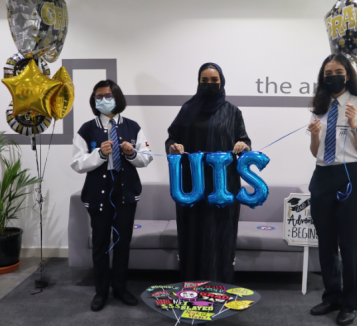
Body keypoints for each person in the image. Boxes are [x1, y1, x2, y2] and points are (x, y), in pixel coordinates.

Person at [306, 54, 357, 326]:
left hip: (352, 176)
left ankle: (349, 303)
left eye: (337, 71)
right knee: (326, 241)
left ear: (347, 75)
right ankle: (332, 296)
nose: (332, 76)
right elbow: (315, 152)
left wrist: (355, 125)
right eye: (327, 72)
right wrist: (314, 134)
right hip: (323, 175)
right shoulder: (320, 106)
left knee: (350, 243)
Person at [165, 62, 251, 284]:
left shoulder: (233, 112)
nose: (209, 85)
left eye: (214, 81)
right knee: (193, 236)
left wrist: (243, 145)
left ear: (222, 82)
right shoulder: (187, 110)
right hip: (192, 186)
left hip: (223, 187)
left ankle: (219, 288)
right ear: (198, 82)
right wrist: (174, 146)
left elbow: (244, 139)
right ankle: (192, 287)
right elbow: (172, 137)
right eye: (205, 81)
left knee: (221, 238)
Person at [71, 79, 153, 312]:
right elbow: (77, 163)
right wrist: (98, 153)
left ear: (118, 98)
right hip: (98, 195)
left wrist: (131, 153)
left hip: (126, 194)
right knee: (100, 243)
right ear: (93, 100)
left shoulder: (133, 126)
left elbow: (146, 158)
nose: (103, 100)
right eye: (99, 96)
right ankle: (101, 291)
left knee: (122, 242)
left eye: (108, 95)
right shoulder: (87, 128)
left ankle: (120, 288)